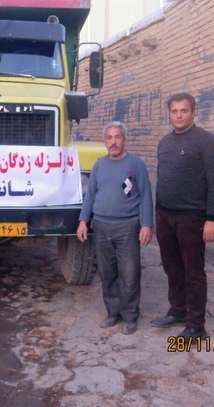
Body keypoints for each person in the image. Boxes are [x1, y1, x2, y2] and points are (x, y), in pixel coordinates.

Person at [150, 93, 214, 340]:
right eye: (174, 111)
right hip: (165, 216)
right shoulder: (164, 142)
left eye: (184, 111)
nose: (179, 115)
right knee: (172, 267)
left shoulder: (206, 141)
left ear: (193, 112)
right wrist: (158, 212)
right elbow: (162, 179)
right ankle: (178, 311)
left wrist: (211, 218)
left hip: (192, 218)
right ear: (169, 113)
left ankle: (196, 325)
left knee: (193, 271)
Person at [77, 121, 153, 335]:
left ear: (124, 140)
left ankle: (130, 316)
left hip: (127, 227)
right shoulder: (99, 165)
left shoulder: (135, 164)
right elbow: (90, 195)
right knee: (107, 273)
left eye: (117, 137)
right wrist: (83, 221)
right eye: (109, 138)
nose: (113, 142)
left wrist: (147, 224)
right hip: (101, 227)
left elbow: (146, 195)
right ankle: (113, 313)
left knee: (130, 274)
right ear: (105, 141)